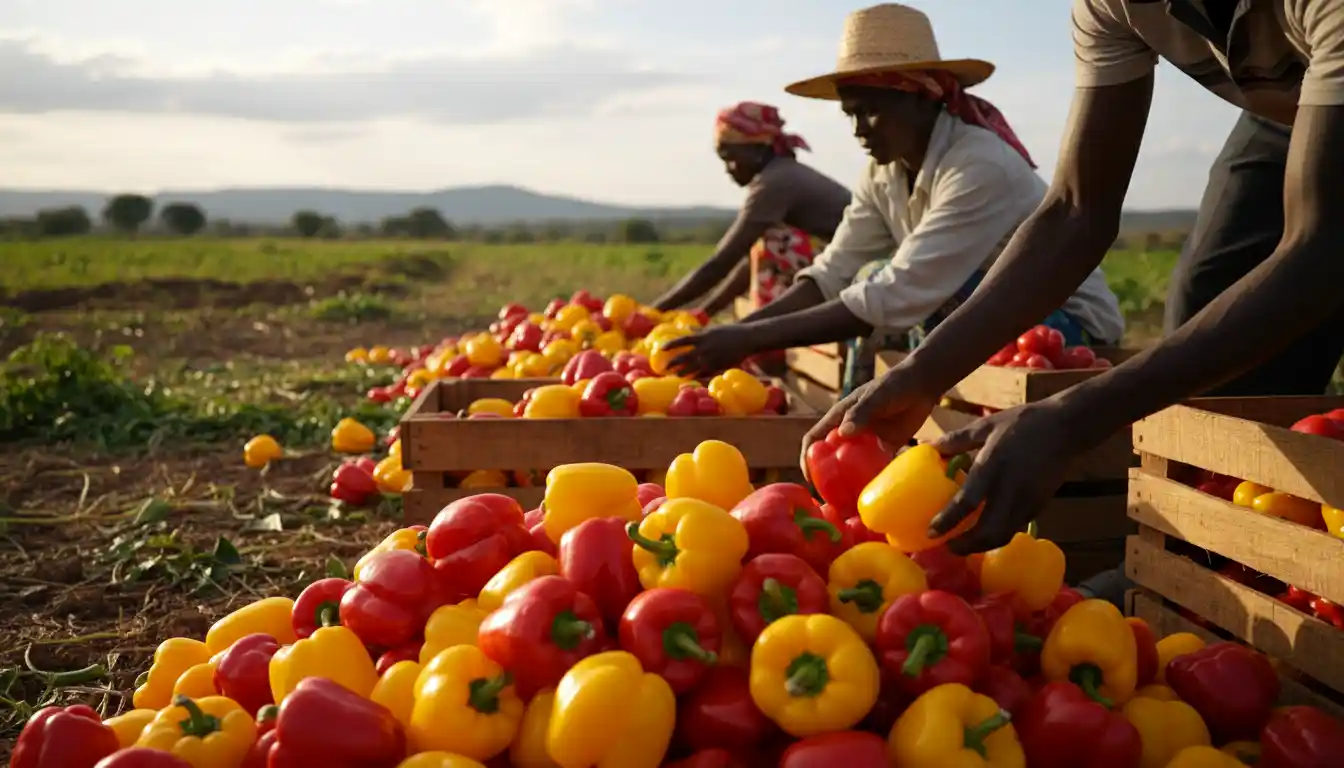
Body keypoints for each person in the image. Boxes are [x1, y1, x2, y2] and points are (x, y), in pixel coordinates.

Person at [803, 0, 1344, 582]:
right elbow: (1075, 210)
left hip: (1323, 87)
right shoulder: (1109, 7)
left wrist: (1075, 417)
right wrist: (925, 371)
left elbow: (1321, 248)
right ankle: (1213, 563)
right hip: (1288, 106)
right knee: (1206, 294)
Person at [665, 4, 1125, 393]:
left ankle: (880, 437)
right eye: (851, 113)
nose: (859, 129)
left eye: (872, 111)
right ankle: (859, 447)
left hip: (1064, 328)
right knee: (868, 278)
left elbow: (899, 292)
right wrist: (740, 333)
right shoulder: (882, 173)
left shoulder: (979, 165)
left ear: (923, 99)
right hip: (978, 315)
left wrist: (748, 340)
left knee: (894, 289)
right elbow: (832, 272)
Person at [651, 102, 851, 319]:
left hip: (857, 269)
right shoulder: (780, 175)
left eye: (731, 157)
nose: (728, 169)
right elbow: (751, 260)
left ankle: (771, 336)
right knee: (766, 244)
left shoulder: (774, 182)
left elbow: (722, 262)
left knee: (775, 241)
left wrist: (652, 312)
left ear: (757, 148)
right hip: (845, 264)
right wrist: (705, 314)